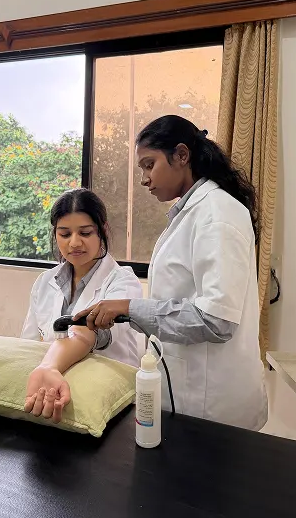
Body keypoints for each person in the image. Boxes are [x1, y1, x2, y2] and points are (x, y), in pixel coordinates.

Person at [75, 115, 268, 431]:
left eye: (149, 165)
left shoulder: (216, 214)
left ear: (181, 155)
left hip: (211, 406)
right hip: (188, 394)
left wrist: (128, 308)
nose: (144, 179)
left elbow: (216, 321)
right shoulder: (192, 212)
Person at [21, 188, 142, 423]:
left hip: (107, 408)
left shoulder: (123, 283)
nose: (75, 243)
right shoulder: (45, 282)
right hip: (51, 398)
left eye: (85, 233)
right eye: (65, 234)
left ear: (103, 230)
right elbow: (28, 344)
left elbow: (90, 332)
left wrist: (49, 366)